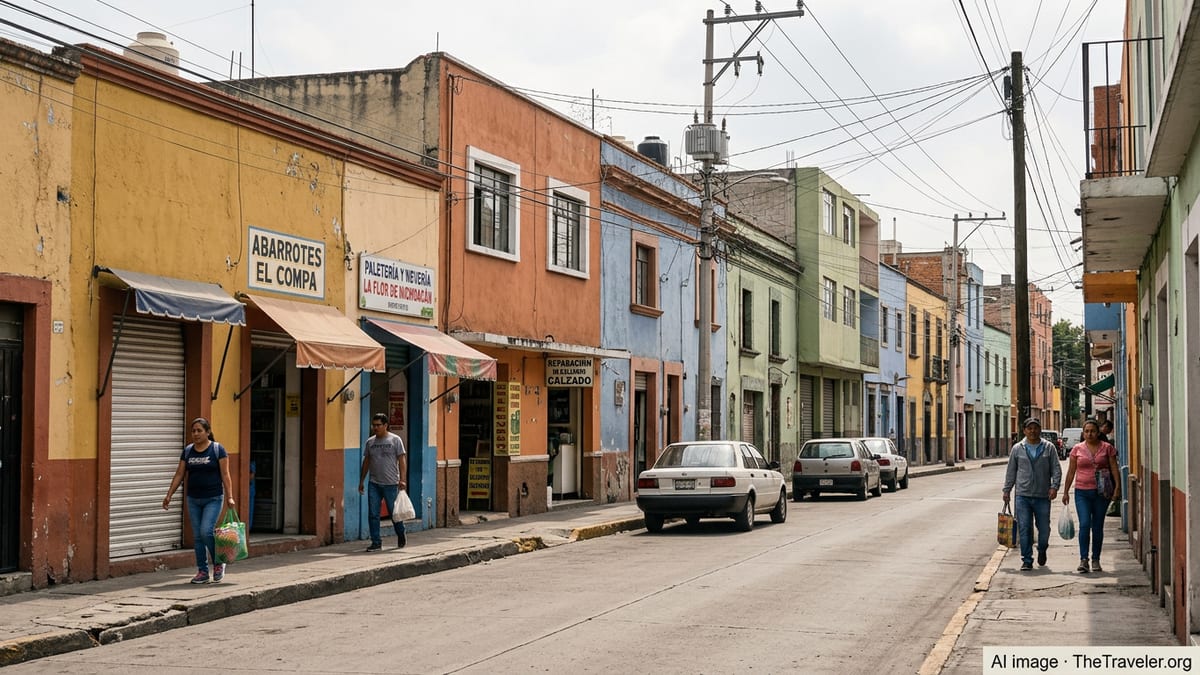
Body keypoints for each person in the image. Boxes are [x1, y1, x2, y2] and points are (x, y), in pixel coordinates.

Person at [162, 418, 235, 584]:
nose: (195, 434)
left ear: (207, 432)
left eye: (199, 431)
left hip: (213, 498)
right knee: (197, 537)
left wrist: (230, 496)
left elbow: (225, 474)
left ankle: (218, 562)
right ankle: (202, 571)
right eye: (193, 431)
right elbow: (179, 474)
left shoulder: (217, 450)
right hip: (193, 499)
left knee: (206, 531)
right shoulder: (188, 451)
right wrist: (169, 495)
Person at [1062, 419, 1121, 573]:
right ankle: (1083, 559)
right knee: (1084, 524)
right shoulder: (1077, 449)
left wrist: (1117, 488)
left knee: (1097, 526)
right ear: (1083, 433)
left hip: (1102, 493)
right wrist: (1066, 491)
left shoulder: (1108, 448)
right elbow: (1071, 471)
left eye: (1092, 431)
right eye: (1086, 431)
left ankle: (1096, 559)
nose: (1089, 434)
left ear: (1098, 432)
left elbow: (1114, 469)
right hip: (1082, 492)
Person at [1003, 417, 1061, 571]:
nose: (1033, 431)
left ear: (1040, 430)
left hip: (1043, 496)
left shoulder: (1049, 448)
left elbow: (1056, 469)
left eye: (1035, 428)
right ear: (1024, 431)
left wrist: (1054, 487)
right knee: (1024, 527)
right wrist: (1007, 490)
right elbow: (1011, 472)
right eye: (1029, 428)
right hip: (1023, 495)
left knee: (1044, 529)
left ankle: (1042, 549)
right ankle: (1027, 559)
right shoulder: (1017, 448)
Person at [358, 412, 408, 551]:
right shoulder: (370, 442)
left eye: (378, 425)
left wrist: (402, 480)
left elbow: (402, 460)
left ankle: (400, 533)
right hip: (374, 483)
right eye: (373, 425)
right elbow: (367, 461)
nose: (375, 428)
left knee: (394, 513)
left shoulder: (395, 440)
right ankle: (376, 542)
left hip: (391, 483)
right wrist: (362, 480)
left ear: (386, 425)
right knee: (373, 514)